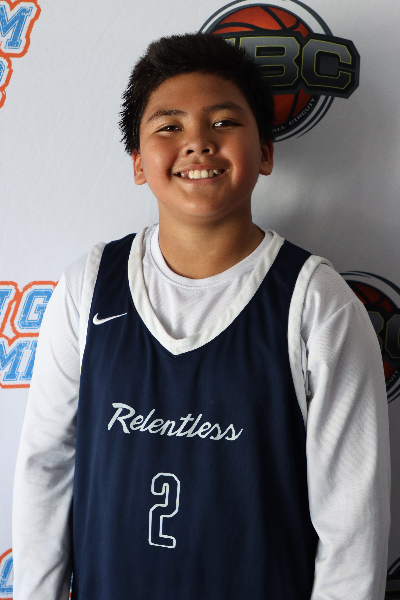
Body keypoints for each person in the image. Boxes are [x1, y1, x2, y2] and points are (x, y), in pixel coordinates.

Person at [12, 33, 390, 600]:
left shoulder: (316, 302)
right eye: (169, 126)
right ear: (138, 164)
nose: (197, 143)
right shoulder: (89, 288)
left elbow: (353, 525)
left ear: (265, 152)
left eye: (224, 122)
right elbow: (45, 468)